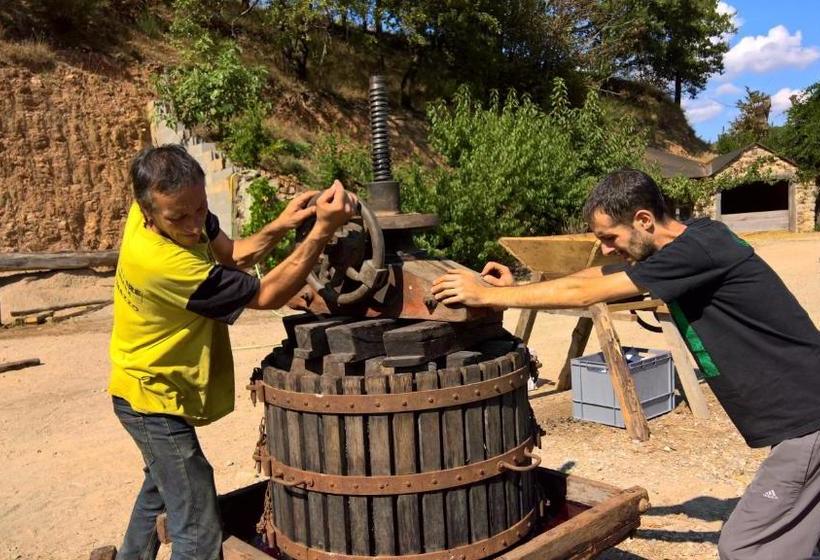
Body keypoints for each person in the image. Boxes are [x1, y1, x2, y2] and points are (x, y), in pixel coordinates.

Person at [432, 168, 820, 560]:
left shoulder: (696, 251)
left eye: (609, 237)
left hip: (808, 422)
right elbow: (602, 275)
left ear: (644, 220)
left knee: (746, 547)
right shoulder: (697, 238)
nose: (605, 248)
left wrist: (487, 297)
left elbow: (586, 291)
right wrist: (517, 288)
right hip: (808, 413)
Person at [108, 144, 355, 560]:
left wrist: (282, 225)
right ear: (147, 212)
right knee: (198, 527)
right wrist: (322, 232)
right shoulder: (162, 264)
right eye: (178, 218)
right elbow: (267, 294)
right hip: (151, 397)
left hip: (145, 384)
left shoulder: (166, 209)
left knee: (162, 485)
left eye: (200, 209)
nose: (193, 225)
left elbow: (235, 254)